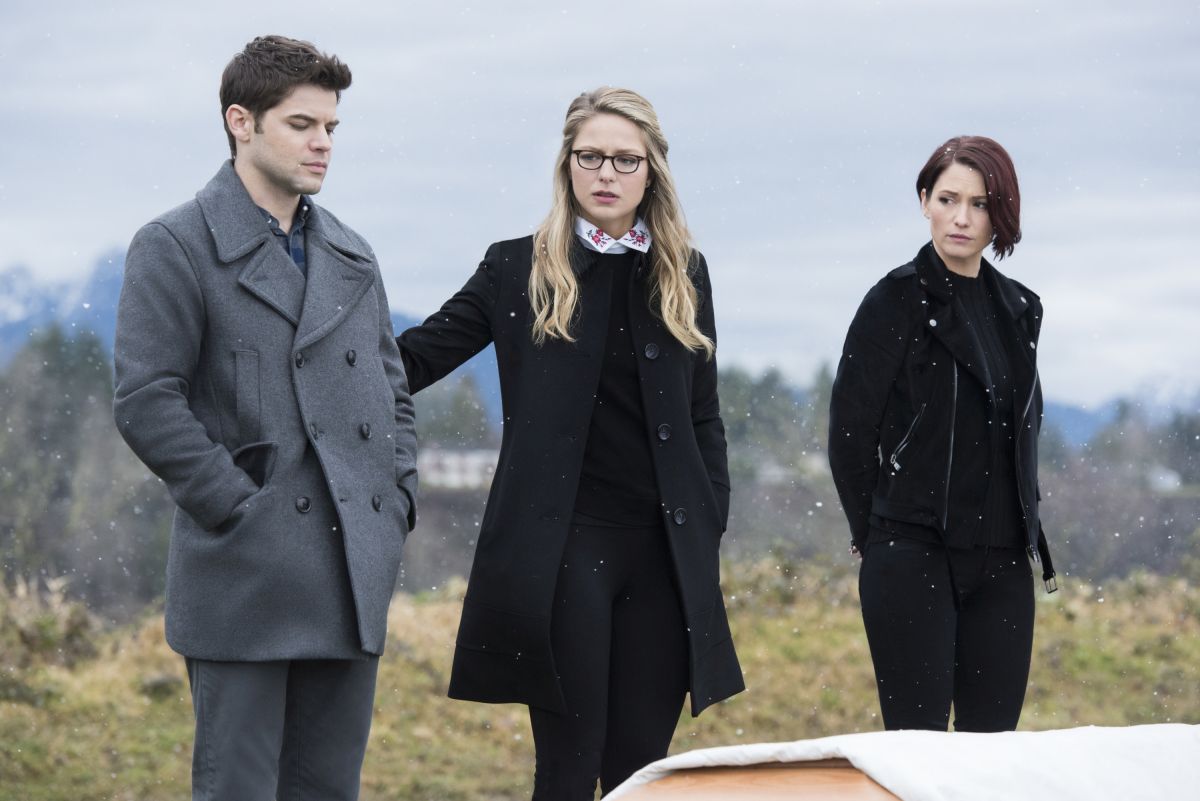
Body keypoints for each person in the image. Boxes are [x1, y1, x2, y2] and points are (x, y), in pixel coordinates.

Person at [397, 87, 744, 798]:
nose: (606, 173)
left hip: (665, 552)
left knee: (640, 772)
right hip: (563, 552)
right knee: (567, 767)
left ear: (652, 170)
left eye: (624, 159)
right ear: (567, 164)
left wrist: (710, 514)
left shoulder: (685, 272)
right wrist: (313, 358)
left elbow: (703, 414)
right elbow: (415, 359)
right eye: (590, 157)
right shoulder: (514, 269)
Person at [112, 35, 417, 800]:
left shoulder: (354, 254)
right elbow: (146, 399)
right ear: (240, 122)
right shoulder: (175, 245)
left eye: (331, 127)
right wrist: (236, 507)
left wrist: (397, 500)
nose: (323, 143)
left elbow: (392, 394)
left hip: (350, 570)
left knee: (327, 790)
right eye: (301, 124)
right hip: (244, 575)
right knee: (240, 790)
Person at [828, 136, 1057, 733]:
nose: (961, 218)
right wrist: (877, 534)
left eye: (979, 204)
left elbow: (1019, 430)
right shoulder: (893, 301)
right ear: (924, 201)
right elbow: (850, 432)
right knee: (918, 755)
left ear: (1000, 213)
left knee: (991, 756)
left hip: (1003, 561)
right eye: (948, 199)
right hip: (912, 553)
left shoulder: (1018, 309)